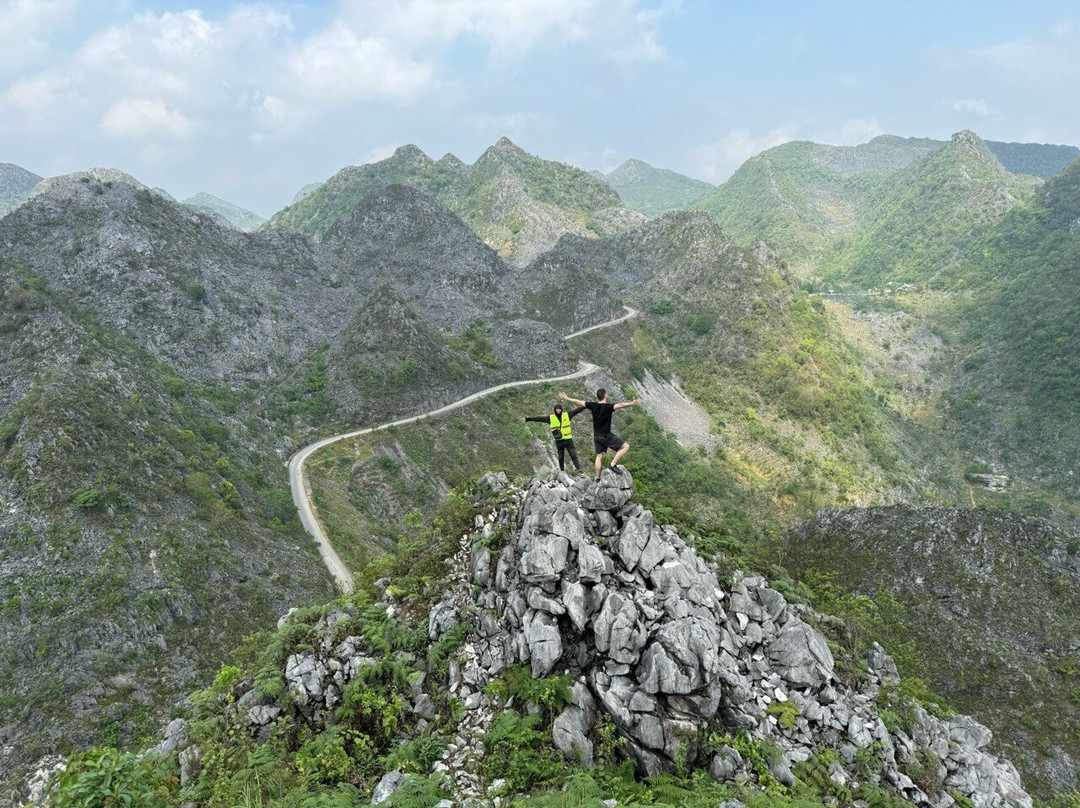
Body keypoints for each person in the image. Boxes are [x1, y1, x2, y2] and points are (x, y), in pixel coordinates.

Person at [559, 388, 641, 480]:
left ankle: (598, 478)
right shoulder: (608, 407)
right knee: (625, 446)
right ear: (605, 395)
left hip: (596, 435)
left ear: (597, 396)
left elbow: (578, 402)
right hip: (606, 435)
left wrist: (567, 398)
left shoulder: (593, 405)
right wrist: (632, 403)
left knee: (599, 456)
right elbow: (621, 405)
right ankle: (612, 464)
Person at [524, 403, 585, 472]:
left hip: (568, 440)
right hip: (559, 441)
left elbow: (576, 411)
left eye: (559, 409)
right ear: (555, 410)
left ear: (562, 410)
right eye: (557, 409)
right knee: (561, 457)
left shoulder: (567, 415)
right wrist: (529, 419)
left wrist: (585, 406)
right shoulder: (550, 418)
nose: (558, 411)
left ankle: (579, 469)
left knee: (573, 455)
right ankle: (562, 471)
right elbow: (540, 418)